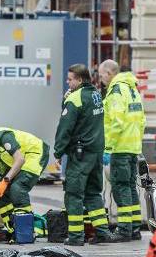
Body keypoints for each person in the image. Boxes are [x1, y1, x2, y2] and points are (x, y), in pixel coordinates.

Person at [53, 64, 124, 245]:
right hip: (95, 152)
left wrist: (58, 151)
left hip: (80, 154)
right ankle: (102, 232)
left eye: (70, 79)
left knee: (73, 194)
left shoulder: (75, 99)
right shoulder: (95, 95)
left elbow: (65, 127)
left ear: (80, 79)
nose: (67, 83)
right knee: (93, 193)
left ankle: (76, 236)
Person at [99, 60, 146, 240]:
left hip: (119, 148)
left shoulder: (116, 91)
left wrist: (108, 149)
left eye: (102, 74)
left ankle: (124, 229)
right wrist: (137, 144)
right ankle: (135, 228)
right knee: (130, 187)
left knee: (120, 188)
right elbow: (142, 120)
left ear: (110, 73)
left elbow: (116, 122)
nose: (101, 78)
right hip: (132, 147)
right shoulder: (132, 89)